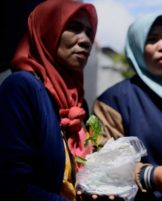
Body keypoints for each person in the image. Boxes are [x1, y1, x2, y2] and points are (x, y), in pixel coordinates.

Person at [93, 14, 162, 201]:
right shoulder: (113, 101)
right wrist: (150, 176)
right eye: (152, 40)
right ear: (137, 47)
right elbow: (102, 162)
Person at [0, 0, 97, 200]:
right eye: (74, 27)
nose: (86, 40)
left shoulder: (78, 103)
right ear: (47, 31)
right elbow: (12, 185)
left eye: (89, 32)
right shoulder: (22, 88)